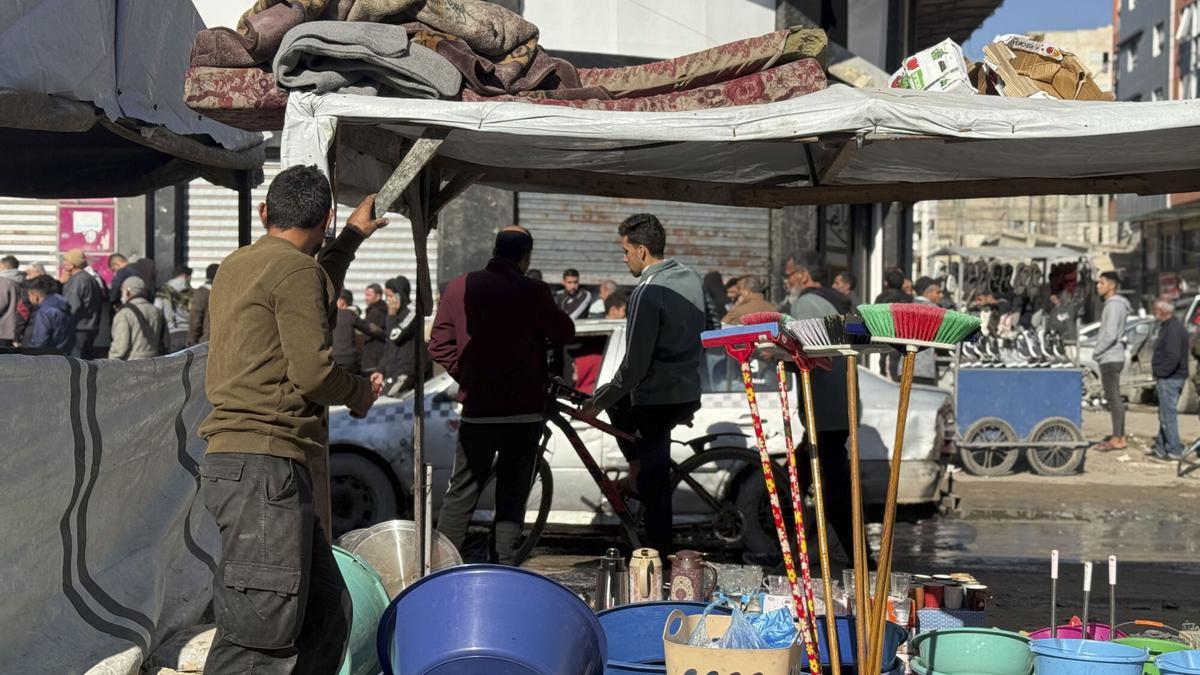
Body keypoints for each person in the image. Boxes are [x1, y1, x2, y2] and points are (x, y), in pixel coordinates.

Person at [198, 165, 386, 673]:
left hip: (249, 466)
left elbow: (311, 293)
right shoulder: (297, 273)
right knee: (259, 636)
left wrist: (348, 239)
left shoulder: (240, 264)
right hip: (264, 466)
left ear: (265, 213)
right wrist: (358, 394)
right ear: (324, 218)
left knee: (326, 611)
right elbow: (314, 374)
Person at [431, 226, 575, 565]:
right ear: (525, 258)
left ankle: (439, 568)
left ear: (494, 250)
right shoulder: (533, 291)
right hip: (523, 414)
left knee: (461, 493)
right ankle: (504, 569)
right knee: (511, 498)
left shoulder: (459, 286)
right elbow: (564, 332)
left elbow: (438, 343)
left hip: (478, 411)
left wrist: (466, 374)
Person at [578, 213, 707, 556]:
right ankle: (637, 476)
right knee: (625, 411)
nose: (624, 258)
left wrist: (596, 403)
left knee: (654, 484)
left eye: (625, 251)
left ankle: (659, 557)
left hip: (657, 397)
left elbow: (634, 366)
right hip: (688, 390)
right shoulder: (692, 278)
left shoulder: (647, 292)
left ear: (642, 251)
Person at [782, 254, 858, 564]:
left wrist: (777, 357)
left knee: (833, 488)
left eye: (788, 274)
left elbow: (811, 355)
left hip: (822, 410)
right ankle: (796, 547)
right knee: (802, 478)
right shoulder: (834, 302)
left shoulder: (806, 305)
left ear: (802, 275)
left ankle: (858, 556)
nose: (786, 281)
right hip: (839, 405)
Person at [1093, 271, 1132, 451]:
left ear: (1111, 285)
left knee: (1113, 398)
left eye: (1101, 283)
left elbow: (1110, 334)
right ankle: (1119, 435)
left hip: (1110, 357)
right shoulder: (1112, 304)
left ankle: (1118, 438)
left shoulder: (1114, 305)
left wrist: (1096, 352)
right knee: (1113, 397)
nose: (1097, 286)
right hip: (1111, 356)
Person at [1151, 298, 1189, 460]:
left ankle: (1174, 449)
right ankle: (1161, 447)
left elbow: (1173, 356)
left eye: (1155, 310)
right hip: (1171, 377)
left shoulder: (1172, 329)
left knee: (1168, 415)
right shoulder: (1170, 327)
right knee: (1165, 414)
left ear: (1162, 312)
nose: (1153, 313)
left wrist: (1160, 372)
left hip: (1170, 378)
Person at [378, 275, 427, 397]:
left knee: (386, 399)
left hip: (405, 371)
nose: (388, 300)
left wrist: (391, 315)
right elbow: (389, 346)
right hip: (392, 371)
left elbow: (395, 336)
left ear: (400, 295)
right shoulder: (394, 315)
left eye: (390, 296)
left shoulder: (412, 311)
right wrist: (380, 370)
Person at [59, 249, 104, 359]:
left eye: (65, 261)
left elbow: (71, 306)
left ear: (72, 264)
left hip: (78, 328)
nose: (63, 264)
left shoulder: (77, 280)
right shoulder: (90, 278)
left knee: (76, 362)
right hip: (90, 327)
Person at [110, 276, 167, 360]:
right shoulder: (156, 311)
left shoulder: (124, 313)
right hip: (154, 362)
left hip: (131, 364)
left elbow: (120, 347)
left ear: (127, 291)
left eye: (122, 290)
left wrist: (109, 363)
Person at [332, 289, 383, 375]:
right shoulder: (350, 314)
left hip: (333, 360)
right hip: (349, 361)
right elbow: (371, 329)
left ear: (341, 301)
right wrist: (385, 335)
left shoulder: (330, 315)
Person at [24, 275, 75, 354]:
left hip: (48, 357)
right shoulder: (64, 307)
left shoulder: (44, 312)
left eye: (29, 295)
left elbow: (39, 341)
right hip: (65, 354)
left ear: (35, 296)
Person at [912, 277, 944, 385]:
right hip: (925, 368)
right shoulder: (934, 310)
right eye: (937, 292)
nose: (941, 296)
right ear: (927, 292)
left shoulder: (908, 306)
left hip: (905, 365)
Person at [155, 264, 193, 353]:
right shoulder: (191, 293)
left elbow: (157, 311)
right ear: (184, 276)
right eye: (189, 277)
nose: (190, 279)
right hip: (190, 334)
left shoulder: (162, 291)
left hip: (172, 333)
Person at [188, 263, 219, 346]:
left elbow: (196, 318)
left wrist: (191, 341)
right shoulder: (224, 293)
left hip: (206, 342)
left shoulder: (202, 292)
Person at [0, 255, 27, 348]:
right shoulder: (21, 280)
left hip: (2, 329)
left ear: (4, 265)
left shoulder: (3, 281)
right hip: (15, 328)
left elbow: (1, 303)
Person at [361, 283, 388, 373]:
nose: (366, 298)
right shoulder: (375, 310)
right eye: (365, 295)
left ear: (378, 296)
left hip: (374, 356)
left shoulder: (376, 312)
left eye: (368, 295)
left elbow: (369, 332)